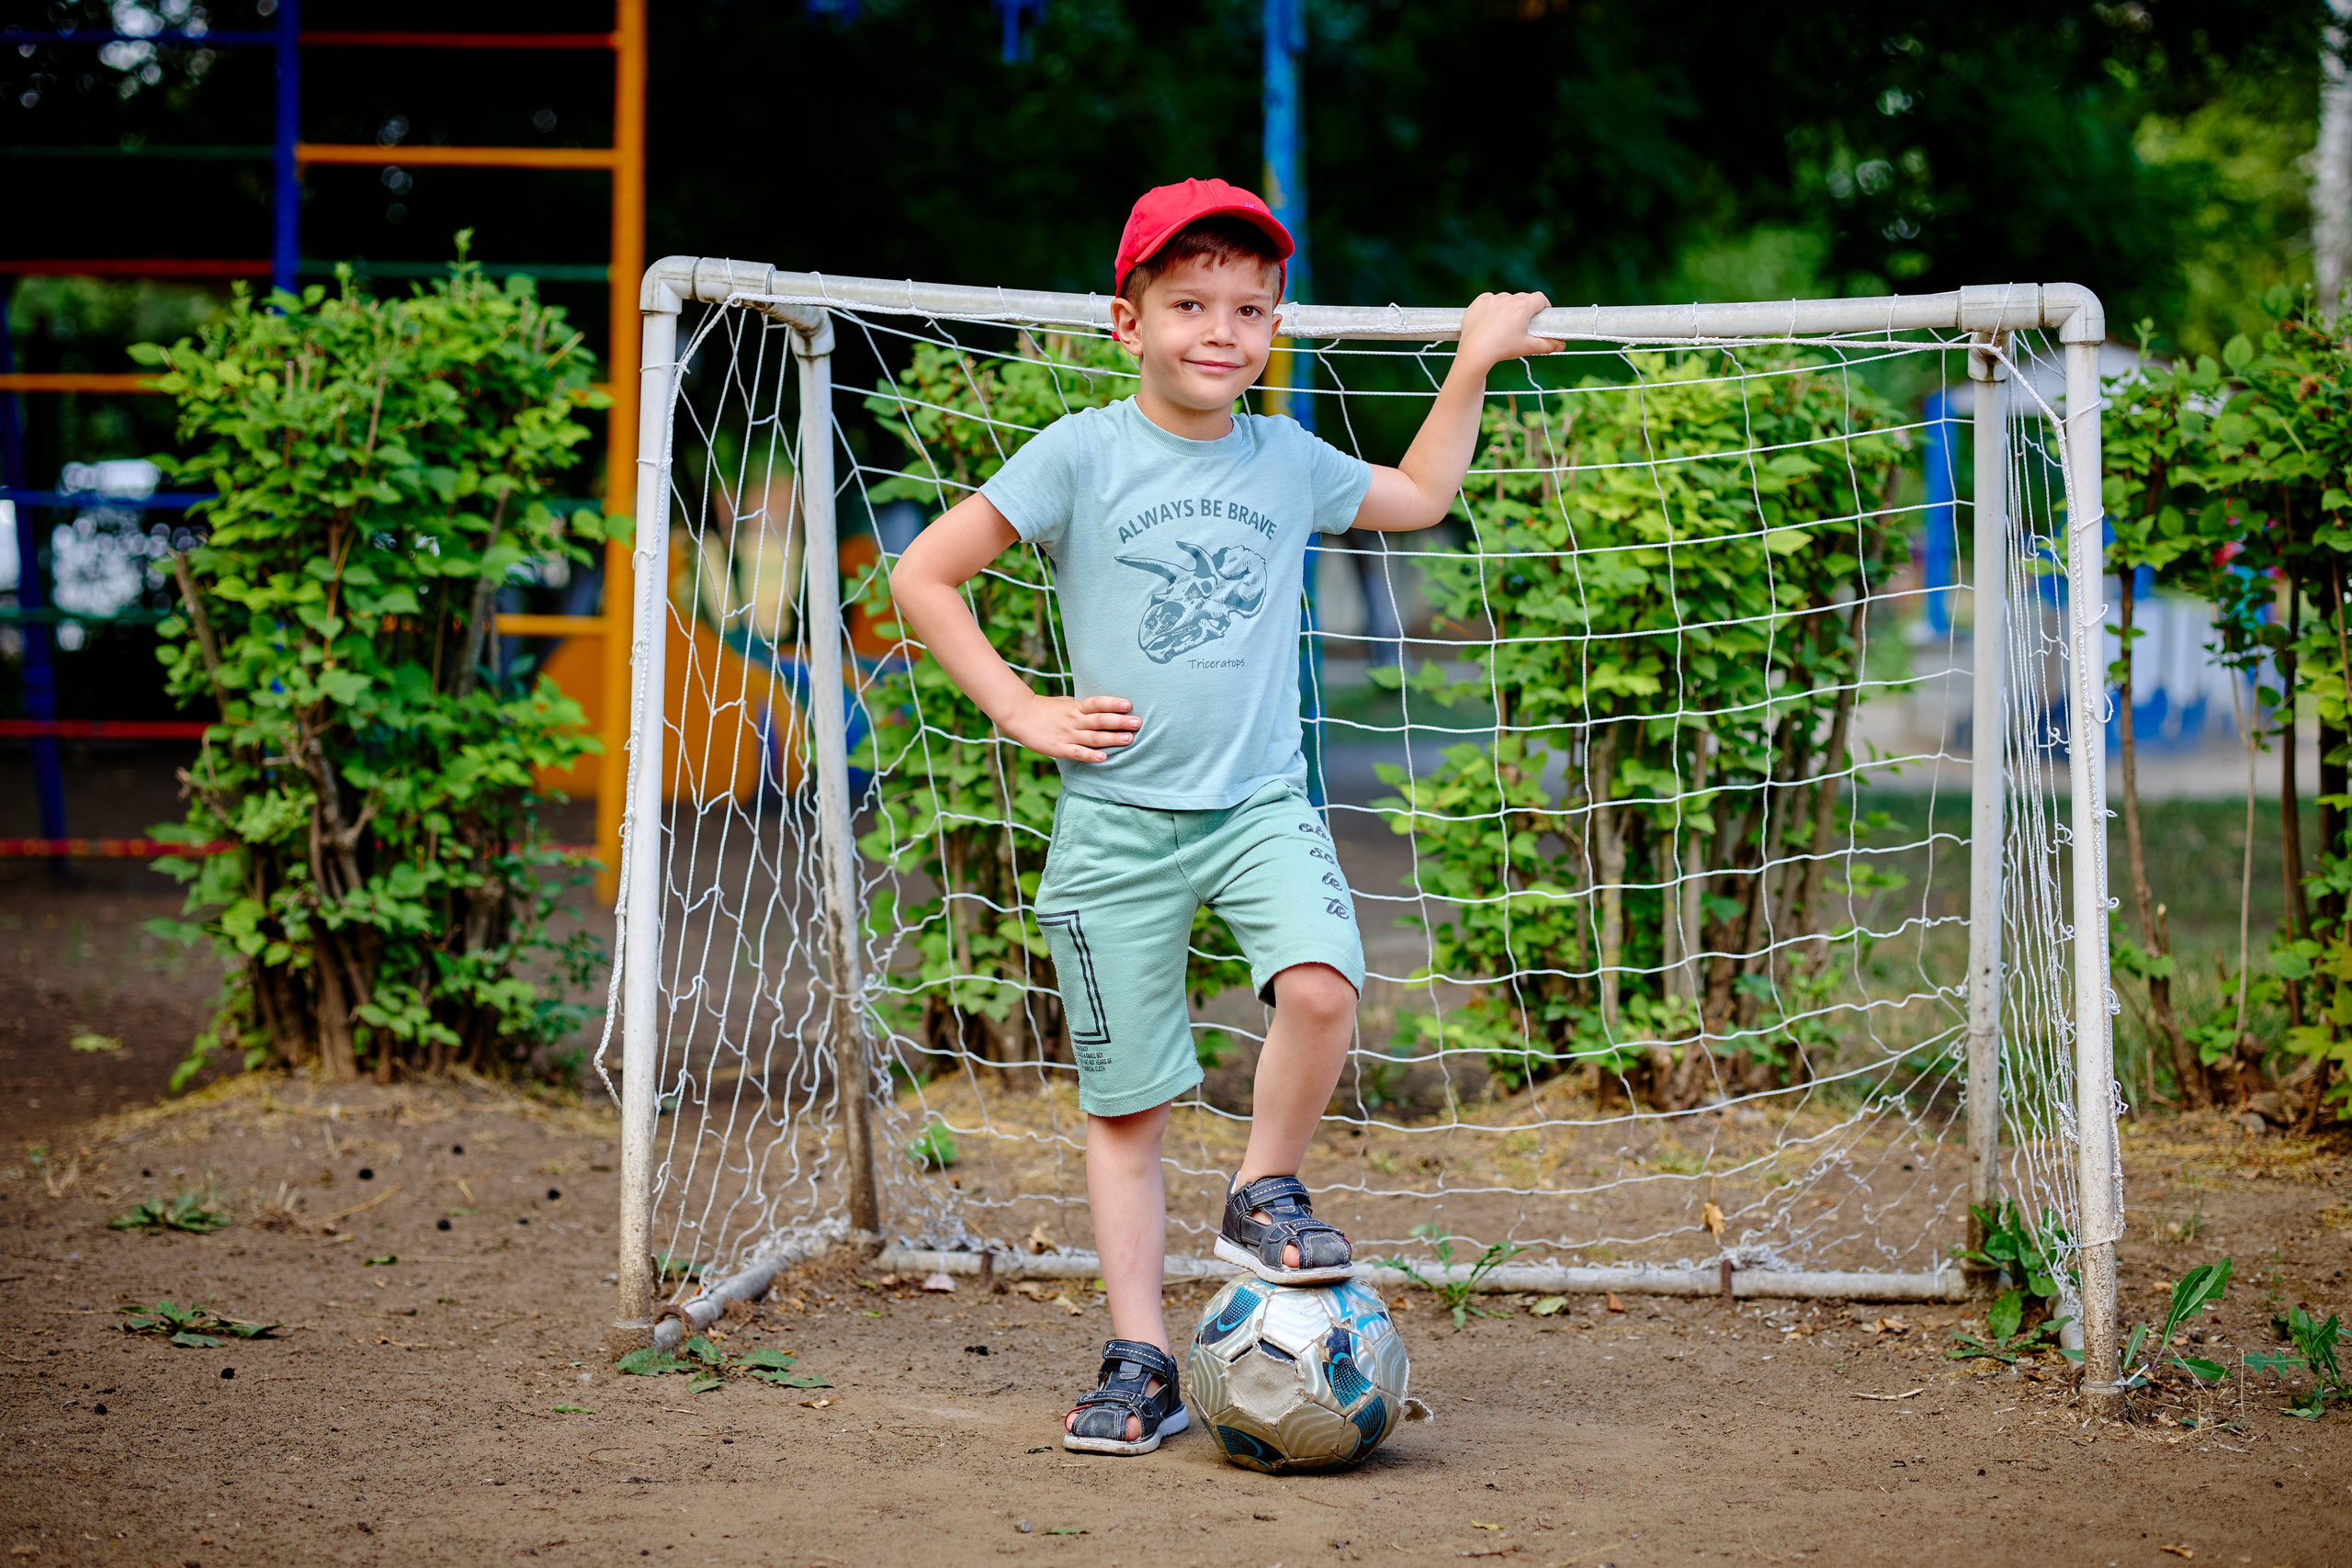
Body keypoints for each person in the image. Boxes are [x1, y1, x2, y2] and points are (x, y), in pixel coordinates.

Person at [889, 176, 1558, 1455]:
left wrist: (1471, 363)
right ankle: (1139, 1355)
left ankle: (1263, 1186)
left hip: (1257, 803)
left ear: (1274, 325)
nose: (1220, 331)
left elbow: (1417, 498)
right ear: (1125, 320)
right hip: (1116, 822)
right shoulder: (1080, 452)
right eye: (1189, 303)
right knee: (1127, 1108)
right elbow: (926, 573)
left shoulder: (1286, 459)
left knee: (1320, 988)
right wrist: (1020, 707)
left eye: (1249, 309)